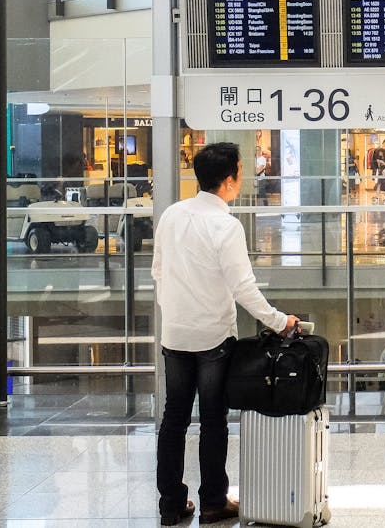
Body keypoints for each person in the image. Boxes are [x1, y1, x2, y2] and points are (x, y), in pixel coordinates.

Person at [152, 142, 299, 526]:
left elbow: (157, 271)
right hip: (213, 337)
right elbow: (243, 288)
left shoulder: (171, 215)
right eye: (240, 170)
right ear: (230, 179)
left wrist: (175, 311)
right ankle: (213, 502)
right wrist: (279, 320)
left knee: (174, 418)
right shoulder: (225, 225)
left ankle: (170, 505)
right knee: (213, 419)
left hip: (174, 334)